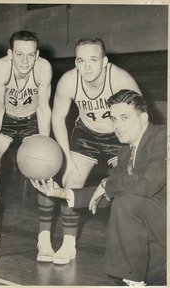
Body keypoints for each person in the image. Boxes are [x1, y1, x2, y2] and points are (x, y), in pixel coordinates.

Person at [32, 90, 166, 285]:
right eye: (113, 119)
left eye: (124, 118)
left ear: (143, 118)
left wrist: (106, 184)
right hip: (155, 241)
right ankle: (132, 279)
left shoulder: (163, 137)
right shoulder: (125, 153)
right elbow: (105, 194)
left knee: (126, 202)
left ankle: (131, 279)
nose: (117, 126)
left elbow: (146, 185)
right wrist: (59, 192)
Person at [50, 37, 142, 264]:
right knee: (71, 179)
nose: (87, 66)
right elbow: (58, 118)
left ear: (105, 61)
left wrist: (134, 155)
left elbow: (140, 119)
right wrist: (68, 161)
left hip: (117, 135)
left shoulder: (121, 78)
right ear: (75, 62)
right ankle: (68, 243)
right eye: (80, 60)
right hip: (86, 133)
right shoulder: (69, 81)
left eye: (93, 59)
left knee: (128, 186)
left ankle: (131, 246)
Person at [0, 31, 53, 260]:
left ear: (37, 55)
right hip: (5, 121)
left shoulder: (43, 69)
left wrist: (45, 144)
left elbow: (43, 108)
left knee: (46, 171)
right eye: (19, 55)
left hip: (32, 119)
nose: (24, 61)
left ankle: (45, 239)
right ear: (10, 54)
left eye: (30, 55)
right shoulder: (1, 68)